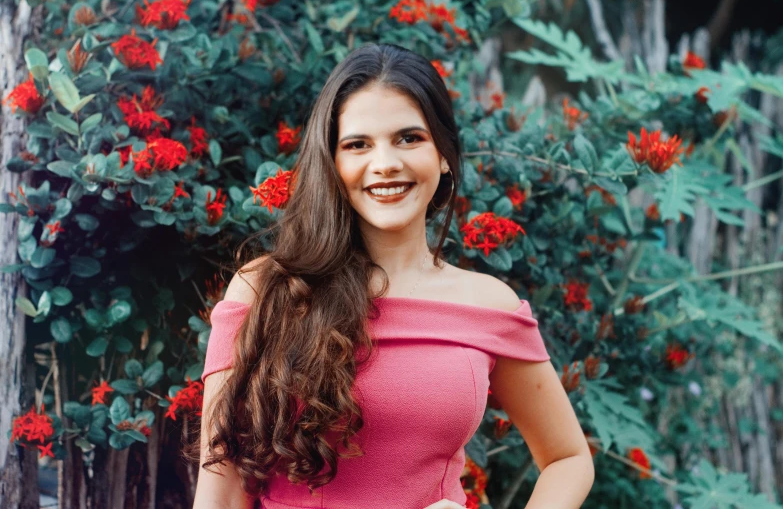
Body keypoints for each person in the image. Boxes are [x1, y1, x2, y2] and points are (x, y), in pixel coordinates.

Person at [190, 43, 594, 509]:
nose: (385, 163)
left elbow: (568, 457)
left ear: (444, 154)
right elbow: (218, 495)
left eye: (409, 138)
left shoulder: (488, 306)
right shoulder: (264, 291)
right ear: (333, 163)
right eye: (358, 144)